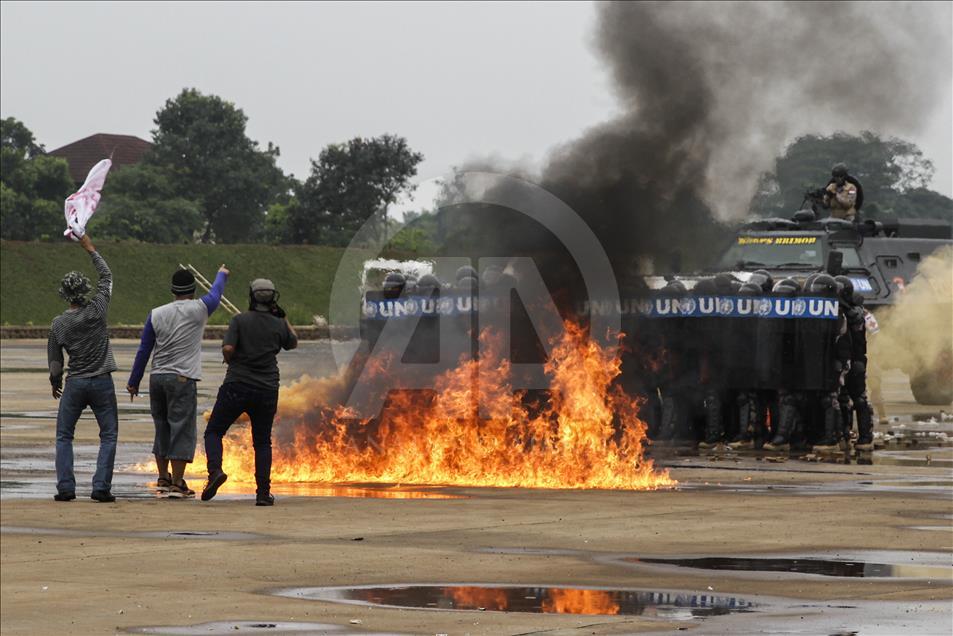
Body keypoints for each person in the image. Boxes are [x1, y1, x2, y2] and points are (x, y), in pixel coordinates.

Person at [126, 265, 230, 498]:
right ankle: (177, 482)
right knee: (181, 428)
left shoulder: (156, 313)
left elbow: (144, 349)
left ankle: (163, 478)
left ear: (173, 291)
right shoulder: (199, 309)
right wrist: (221, 274)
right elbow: (216, 294)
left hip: (157, 377)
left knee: (161, 426)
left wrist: (134, 381)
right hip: (182, 378)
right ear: (192, 290)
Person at [201, 279, 298, 505]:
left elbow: (228, 348)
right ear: (273, 297)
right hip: (267, 389)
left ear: (252, 297)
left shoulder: (239, 320)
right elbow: (293, 342)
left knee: (214, 431)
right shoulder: (278, 323)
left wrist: (230, 358)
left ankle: (215, 471)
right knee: (262, 442)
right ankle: (263, 494)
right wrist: (283, 317)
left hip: (237, 384)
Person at [47, 233, 118, 503]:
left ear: (65, 295)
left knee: (64, 435)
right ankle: (101, 487)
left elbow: (55, 361)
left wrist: (56, 383)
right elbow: (107, 277)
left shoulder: (59, 324)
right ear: (85, 291)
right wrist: (91, 249)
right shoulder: (98, 309)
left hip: (75, 383)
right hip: (101, 380)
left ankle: (66, 487)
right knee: (108, 434)